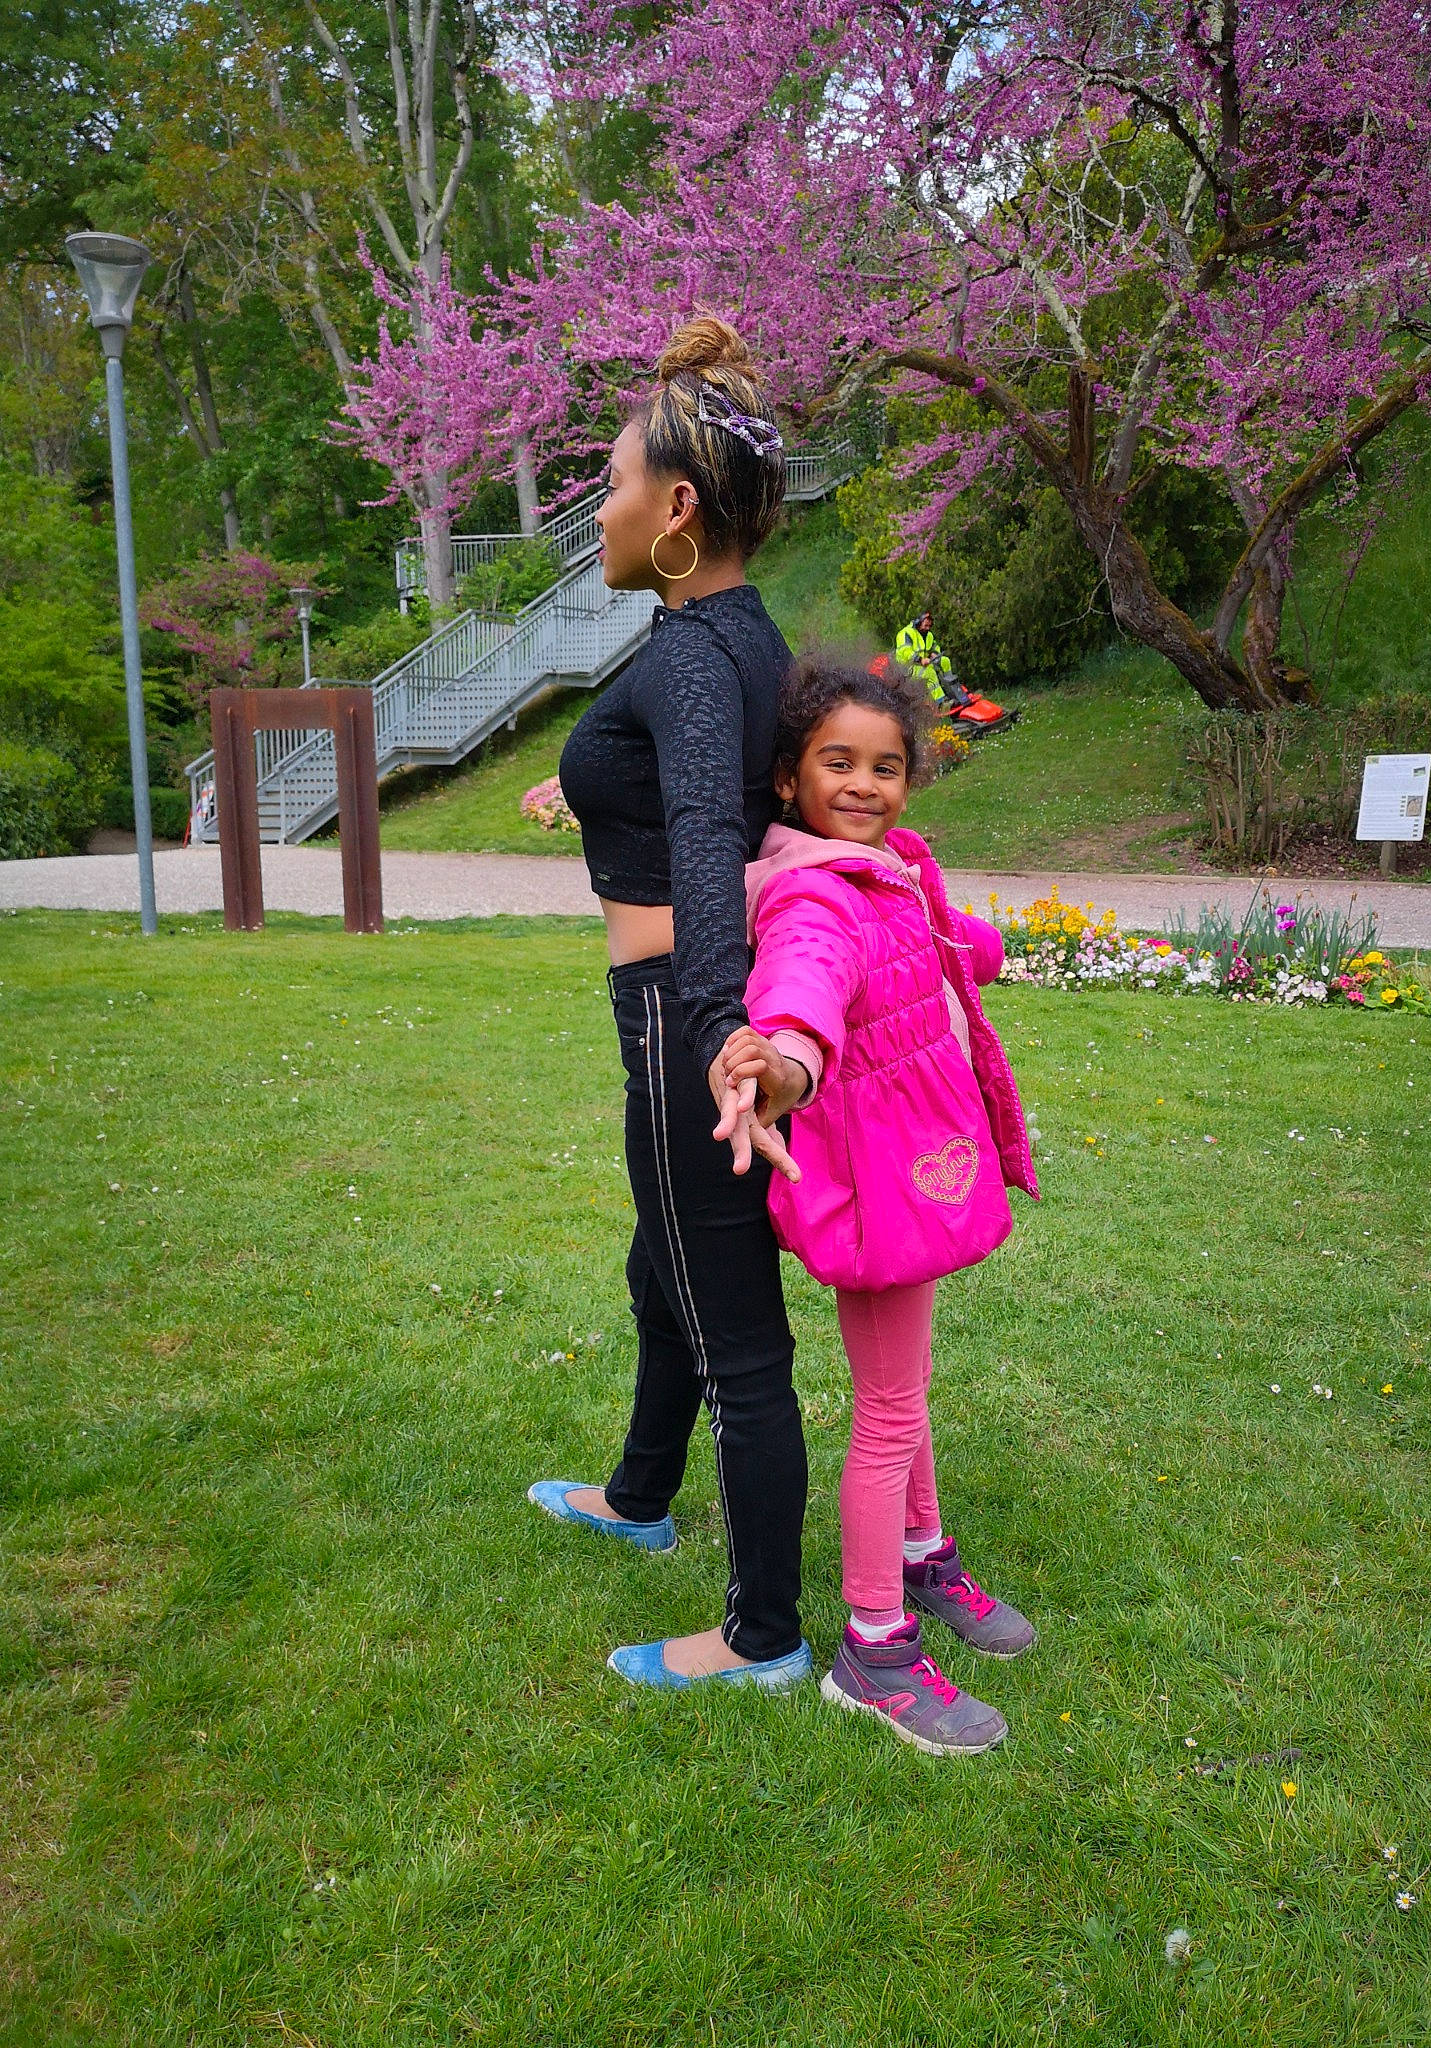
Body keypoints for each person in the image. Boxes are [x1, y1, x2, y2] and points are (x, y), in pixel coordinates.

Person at [529, 315, 816, 1692]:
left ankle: (764, 1634)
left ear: (681, 506)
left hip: (675, 1016)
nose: (605, 503)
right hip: (676, 1005)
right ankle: (641, 1497)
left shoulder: (697, 656)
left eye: (618, 479)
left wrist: (716, 1037)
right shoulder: (730, 636)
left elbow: (707, 835)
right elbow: (689, 803)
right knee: (668, 1266)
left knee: (731, 1324)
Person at [719, 657, 1042, 1753]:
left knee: (907, 1387)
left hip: (915, 1164)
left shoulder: (890, 865)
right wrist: (784, 1067)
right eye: (838, 762)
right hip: (874, 1177)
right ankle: (876, 1643)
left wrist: (991, 947)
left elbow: (945, 942)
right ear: (788, 777)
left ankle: (924, 1551)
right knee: (892, 1406)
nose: (865, 783)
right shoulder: (815, 891)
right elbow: (803, 992)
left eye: (888, 765)